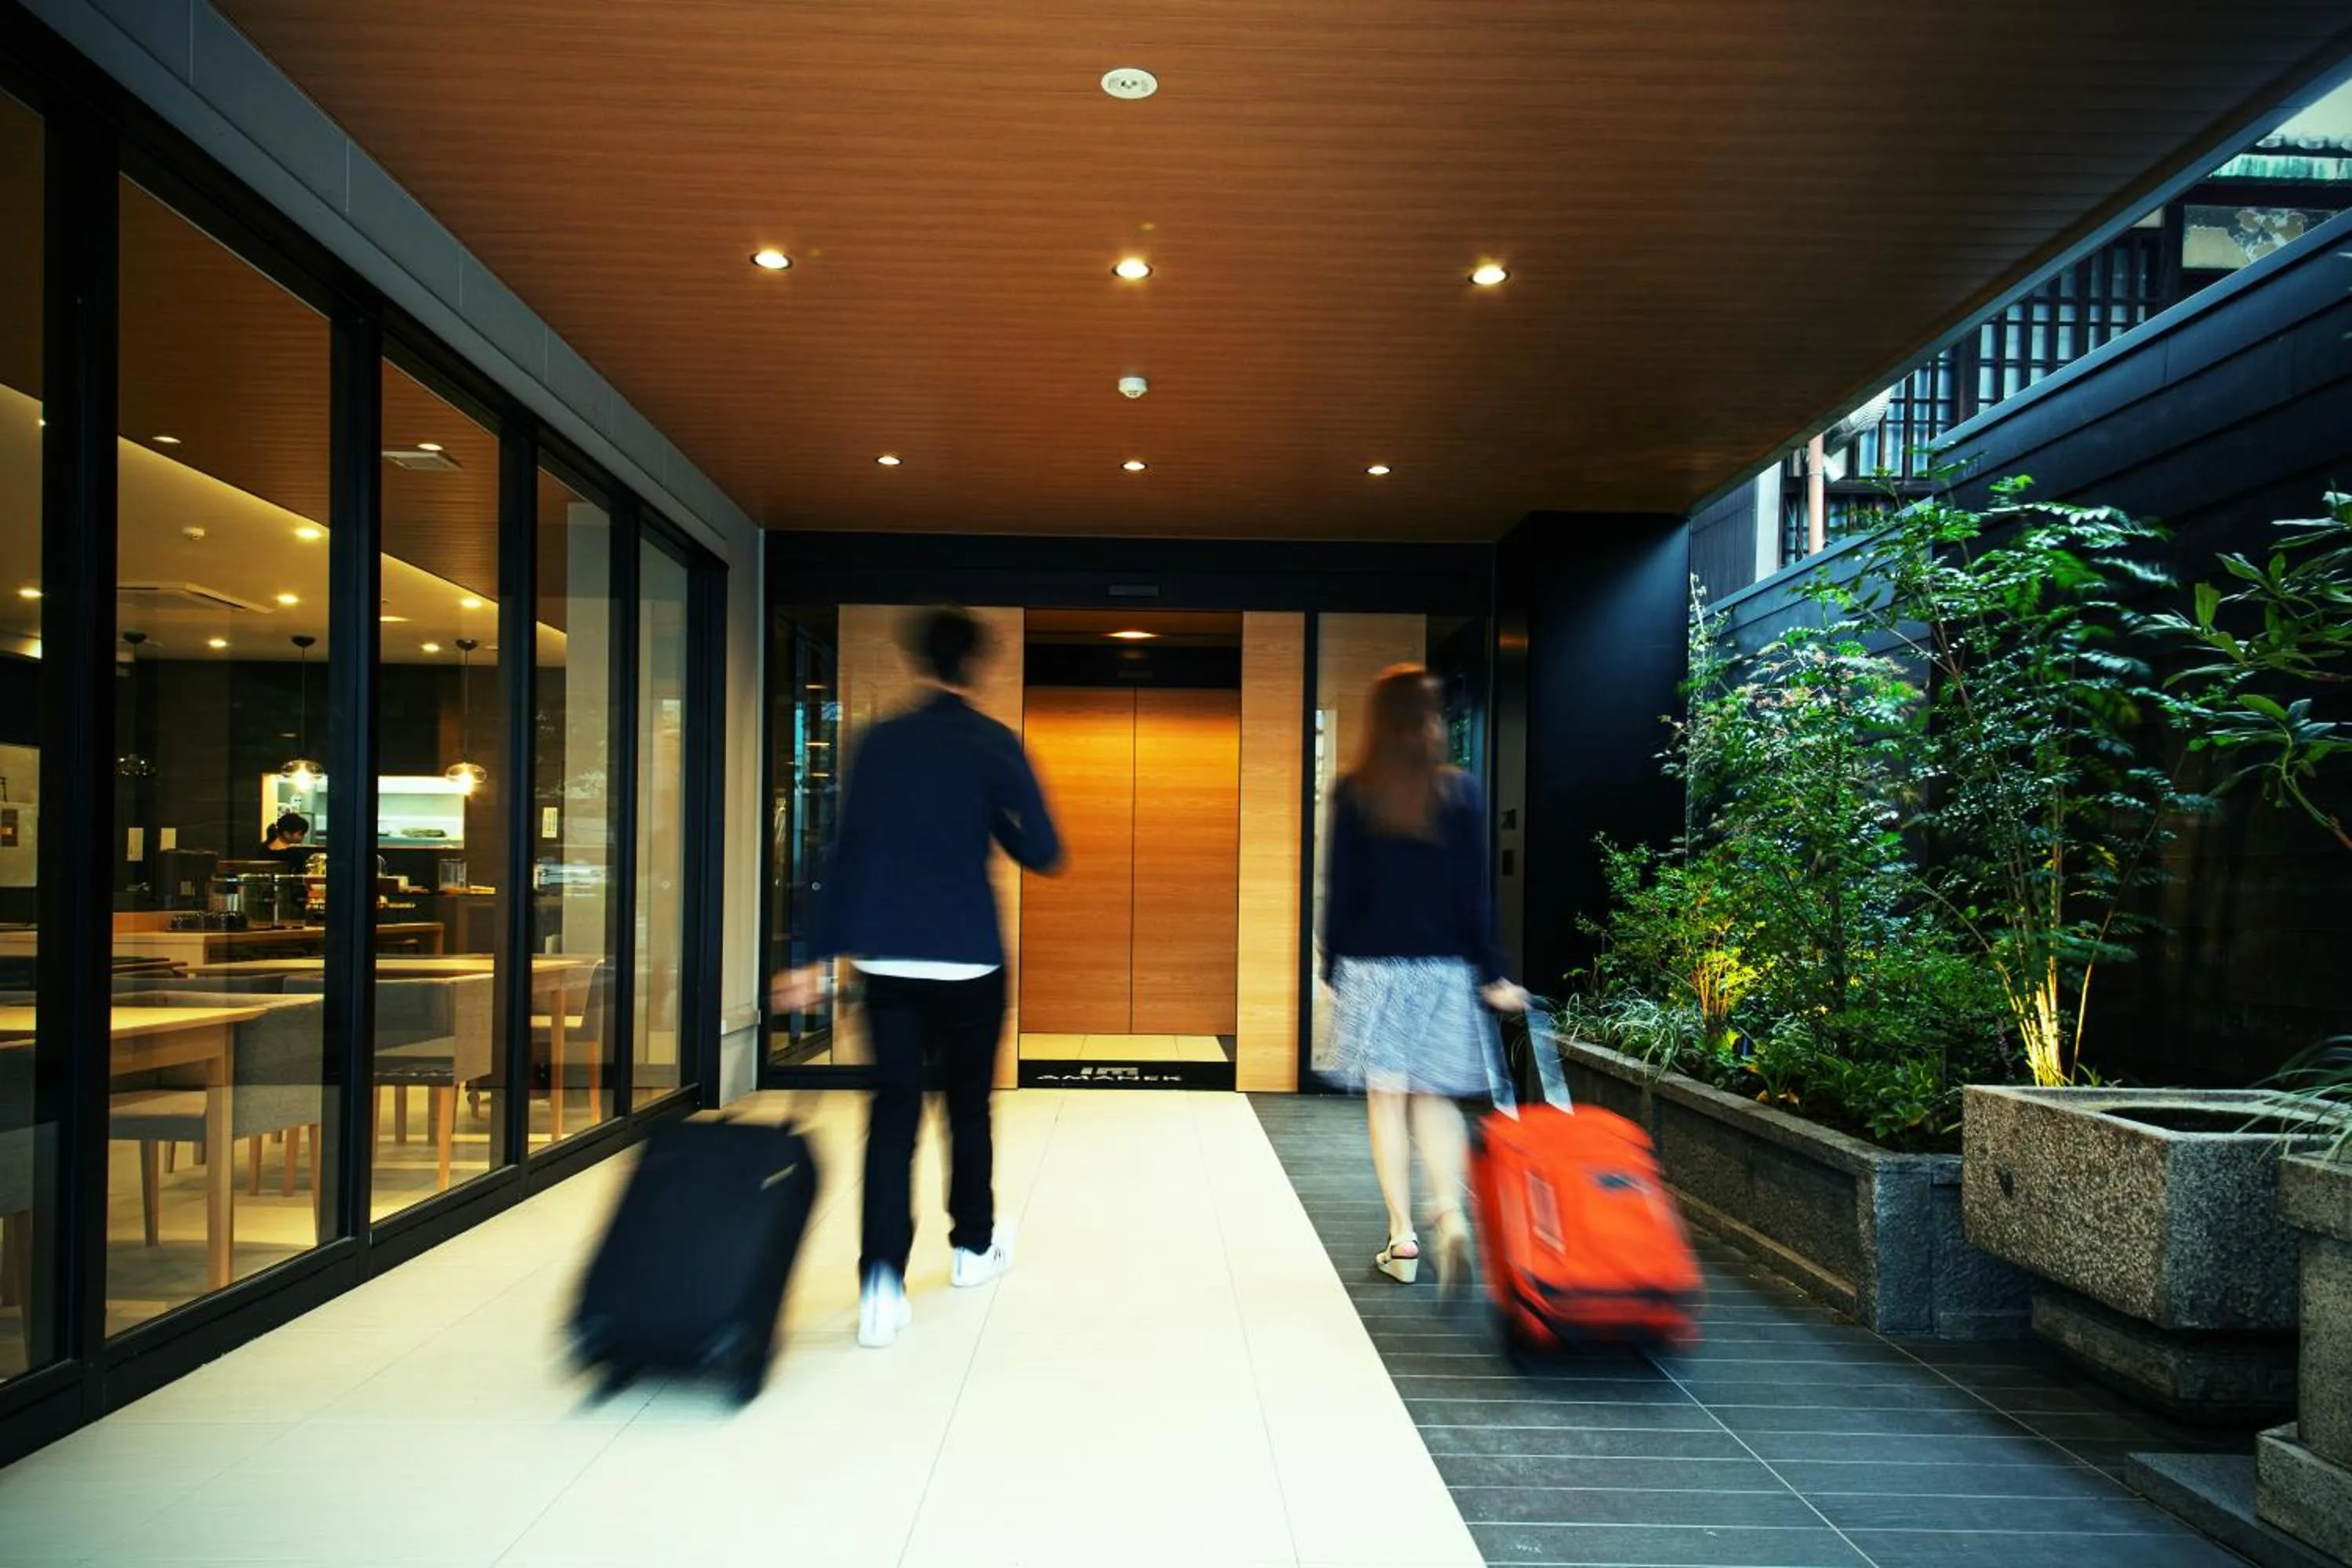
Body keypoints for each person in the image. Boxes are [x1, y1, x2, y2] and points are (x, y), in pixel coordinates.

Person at [771, 607, 1064, 1348]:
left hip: (887, 960)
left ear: (916, 660)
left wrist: (809, 956)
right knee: (968, 1110)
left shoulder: (880, 744)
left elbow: (843, 853)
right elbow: (1047, 851)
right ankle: (971, 1249)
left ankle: (879, 1283)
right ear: (978, 666)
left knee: (891, 1120)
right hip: (969, 957)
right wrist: (990, 820)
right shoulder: (995, 744)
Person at [1321, 665, 1528, 1287]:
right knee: (1432, 1097)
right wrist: (1493, 972)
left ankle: (1403, 1239)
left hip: (1373, 968)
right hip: (1443, 970)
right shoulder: (1460, 792)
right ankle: (1450, 1212)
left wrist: (1331, 967)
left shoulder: (1356, 792)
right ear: (1430, 721)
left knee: (1386, 1101)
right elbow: (1476, 896)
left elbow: (1342, 891)